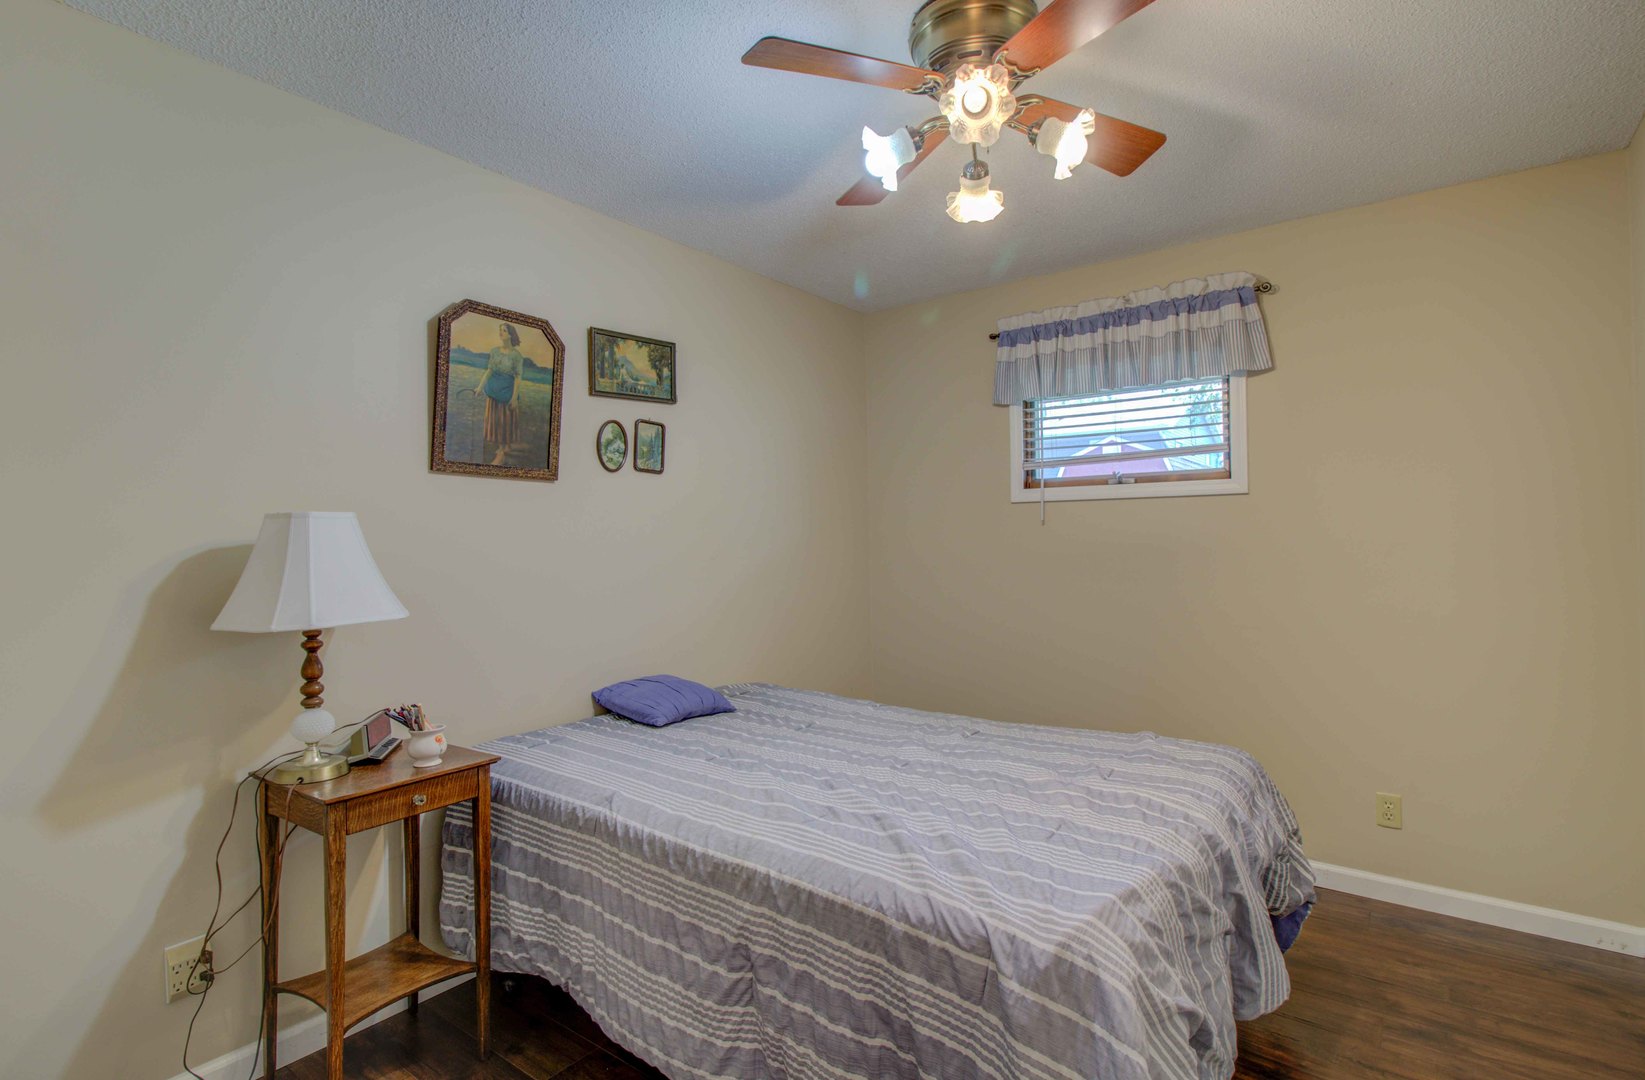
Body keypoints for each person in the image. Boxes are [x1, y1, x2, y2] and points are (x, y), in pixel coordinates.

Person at [479, 322, 525, 465]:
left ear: (510, 334)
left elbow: (518, 377)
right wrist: (480, 387)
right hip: (493, 391)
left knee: (505, 421)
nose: (501, 332)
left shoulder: (517, 356)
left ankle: (502, 451)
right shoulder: (494, 351)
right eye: (500, 330)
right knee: (495, 420)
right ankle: (501, 447)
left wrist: (514, 398)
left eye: (504, 330)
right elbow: (489, 370)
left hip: (507, 393)